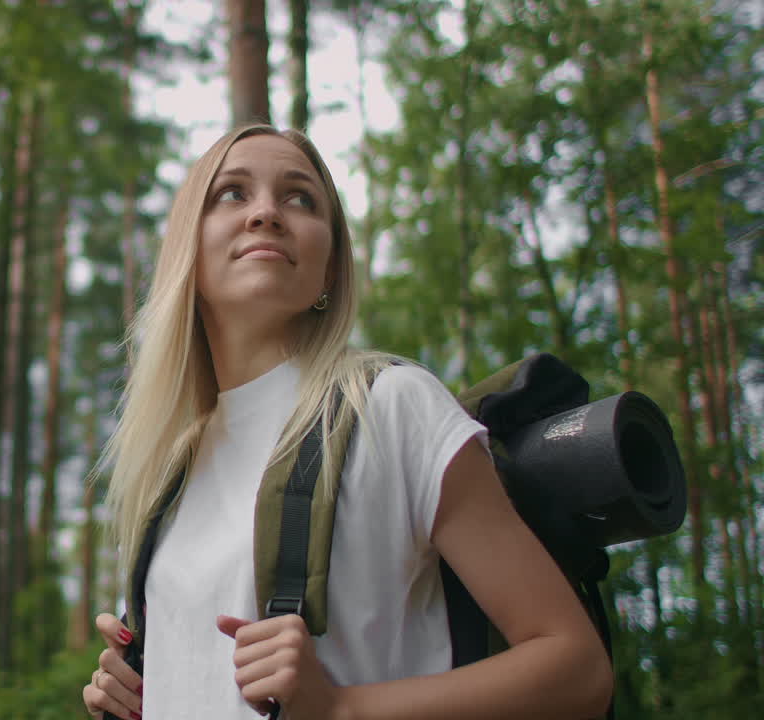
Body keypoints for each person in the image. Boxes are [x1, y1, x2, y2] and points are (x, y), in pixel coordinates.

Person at [81, 124, 613, 720]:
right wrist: (141, 687)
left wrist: (341, 707)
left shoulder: (389, 404)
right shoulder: (163, 468)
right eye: (232, 193)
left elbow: (577, 668)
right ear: (188, 249)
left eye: (300, 198)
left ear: (330, 268)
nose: (266, 213)